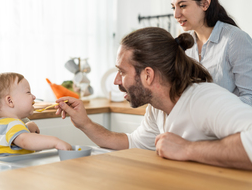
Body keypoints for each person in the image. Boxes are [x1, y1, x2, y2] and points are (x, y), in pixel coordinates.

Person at [55, 27, 252, 170]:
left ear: (147, 75)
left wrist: (188, 149)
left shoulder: (205, 99)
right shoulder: (157, 108)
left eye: (121, 72)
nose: (116, 81)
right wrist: (85, 123)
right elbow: (131, 143)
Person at [170, 0, 252, 106]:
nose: (176, 15)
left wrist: (213, 114)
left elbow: (250, 98)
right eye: (173, 7)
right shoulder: (185, 47)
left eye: (183, 6)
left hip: (229, 123)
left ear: (205, 3)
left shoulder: (235, 39)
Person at [0, 72, 72, 158]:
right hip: (4, 170)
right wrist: (56, 142)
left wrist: (26, 127)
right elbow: (24, 141)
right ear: (10, 101)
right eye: (28, 92)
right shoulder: (11, 124)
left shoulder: (7, 124)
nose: (34, 97)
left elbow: (18, 135)